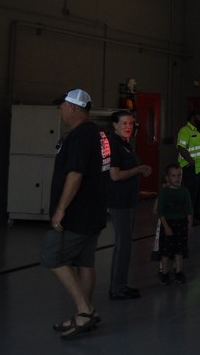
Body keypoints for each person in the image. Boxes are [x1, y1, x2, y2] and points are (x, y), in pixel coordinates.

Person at [41, 89, 111, 340]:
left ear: (72, 107)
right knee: (85, 262)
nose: (59, 111)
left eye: (61, 106)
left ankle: (85, 310)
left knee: (52, 255)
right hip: (94, 211)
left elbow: (76, 174)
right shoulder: (98, 134)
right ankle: (83, 316)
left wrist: (60, 209)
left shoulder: (81, 136)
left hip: (77, 214)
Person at [106, 110, 152, 300]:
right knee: (123, 244)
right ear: (115, 125)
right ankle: (117, 288)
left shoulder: (125, 145)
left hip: (128, 200)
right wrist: (138, 169)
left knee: (124, 244)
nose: (128, 127)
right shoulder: (115, 145)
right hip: (119, 201)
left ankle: (120, 284)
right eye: (124, 123)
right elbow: (115, 175)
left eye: (131, 124)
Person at [157, 163, 193, 285]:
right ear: (168, 178)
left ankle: (179, 271)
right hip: (168, 223)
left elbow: (189, 210)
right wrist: (166, 226)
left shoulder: (184, 192)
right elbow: (160, 211)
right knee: (166, 251)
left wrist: (189, 225)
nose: (177, 178)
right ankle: (165, 273)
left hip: (181, 223)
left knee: (179, 250)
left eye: (179, 175)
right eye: (174, 176)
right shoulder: (164, 193)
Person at [176, 109, 200, 224]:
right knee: (190, 194)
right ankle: (189, 219)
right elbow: (181, 147)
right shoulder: (185, 131)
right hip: (191, 168)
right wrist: (190, 161)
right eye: (199, 117)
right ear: (193, 117)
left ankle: (199, 216)